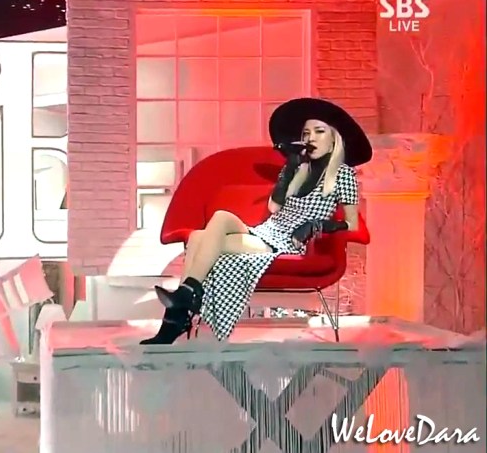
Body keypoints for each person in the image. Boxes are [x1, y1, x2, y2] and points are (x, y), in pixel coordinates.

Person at [141, 98, 372, 345]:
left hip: (289, 243)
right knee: (212, 224)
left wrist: (318, 225)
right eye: (306, 133)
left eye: (319, 131)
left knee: (205, 244)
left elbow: (353, 225)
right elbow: (274, 207)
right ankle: (187, 296)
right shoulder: (299, 169)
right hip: (268, 231)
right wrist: (290, 168)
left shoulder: (343, 174)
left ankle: (176, 318)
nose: (311, 138)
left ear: (334, 138)